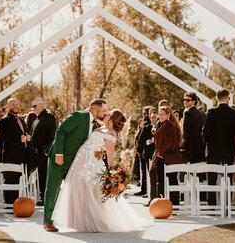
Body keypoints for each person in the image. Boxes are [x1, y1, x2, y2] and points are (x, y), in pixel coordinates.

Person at [52, 109, 149, 232]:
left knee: (91, 192)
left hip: (92, 163)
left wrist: (112, 172)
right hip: (81, 160)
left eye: (109, 114)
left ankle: (94, 221)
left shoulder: (112, 133)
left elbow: (110, 153)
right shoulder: (101, 127)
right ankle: (79, 221)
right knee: (79, 190)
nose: (106, 114)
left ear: (112, 119)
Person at [43, 99, 108, 232]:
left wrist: (101, 151)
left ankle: (79, 221)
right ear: (95, 109)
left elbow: (92, 142)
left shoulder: (96, 125)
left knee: (77, 189)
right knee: (53, 187)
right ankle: (47, 221)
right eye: (104, 110)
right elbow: (60, 131)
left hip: (76, 161)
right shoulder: (78, 116)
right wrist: (59, 154)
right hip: (59, 158)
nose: (105, 113)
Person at [202, 89, 235, 206]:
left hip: (213, 150)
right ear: (227, 98)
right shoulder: (233, 113)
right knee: (228, 178)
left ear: (217, 98)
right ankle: (226, 204)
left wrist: (209, 141)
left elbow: (204, 132)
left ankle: (212, 205)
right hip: (228, 149)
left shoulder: (212, 112)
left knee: (212, 179)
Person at [0, 98, 30, 204]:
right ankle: (9, 206)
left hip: (22, 156)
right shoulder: (4, 120)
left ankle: (16, 205)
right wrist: (19, 139)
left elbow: (24, 134)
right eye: (12, 105)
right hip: (10, 157)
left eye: (17, 104)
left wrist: (27, 137)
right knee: (10, 182)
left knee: (18, 182)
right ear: (7, 107)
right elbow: (5, 138)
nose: (15, 106)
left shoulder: (21, 119)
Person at [150, 106, 182, 206]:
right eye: (159, 114)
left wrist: (160, 152)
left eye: (163, 114)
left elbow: (168, 142)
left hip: (166, 157)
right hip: (169, 157)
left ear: (168, 115)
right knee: (169, 180)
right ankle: (172, 204)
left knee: (164, 181)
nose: (160, 116)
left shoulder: (168, 125)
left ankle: (166, 204)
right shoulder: (166, 124)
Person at [30, 98, 56, 206]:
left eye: (34, 106)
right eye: (32, 106)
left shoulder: (48, 116)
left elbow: (52, 135)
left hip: (45, 152)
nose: (33, 109)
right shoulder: (37, 119)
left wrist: (48, 150)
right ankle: (42, 196)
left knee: (46, 175)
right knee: (41, 176)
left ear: (41, 105)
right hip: (37, 152)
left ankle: (47, 199)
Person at [137, 108, 158, 198]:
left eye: (155, 117)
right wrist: (149, 141)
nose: (154, 119)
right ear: (150, 117)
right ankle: (149, 193)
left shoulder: (161, 126)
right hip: (148, 154)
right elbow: (140, 141)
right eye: (152, 117)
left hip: (159, 155)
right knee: (148, 174)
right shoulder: (146, 127)